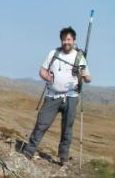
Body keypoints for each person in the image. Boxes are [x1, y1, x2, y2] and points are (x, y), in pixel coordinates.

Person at [23, 26, 91, 165]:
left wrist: (85, 76)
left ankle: (63, 157)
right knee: (41, 123)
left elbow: (88, 78)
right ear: (61, 40)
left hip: (71, 97)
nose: (66, 42)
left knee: (67, 128)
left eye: (69, 39)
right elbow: (42, 70)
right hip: (52, 96)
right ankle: (29, 152)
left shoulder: (80, 57)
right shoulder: (53, 53)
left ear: (74, 40)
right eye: (64, 39)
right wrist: (46, 77)